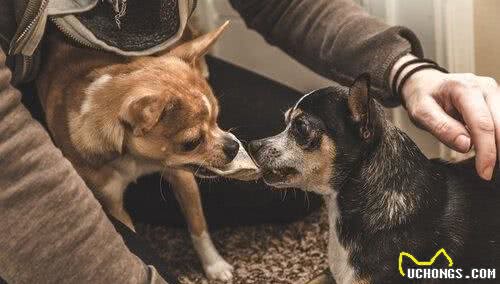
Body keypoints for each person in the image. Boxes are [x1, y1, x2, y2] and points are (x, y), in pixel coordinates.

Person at [0, 0, 498, 283]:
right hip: (29, 128)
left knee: (280, 192)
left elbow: (286, 3)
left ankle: (152, 184)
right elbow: (11, 161)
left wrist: (405, 70)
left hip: (160, 89)